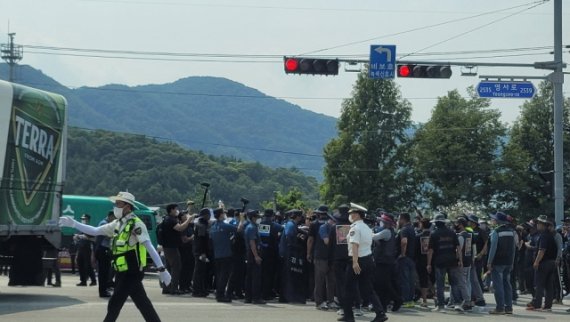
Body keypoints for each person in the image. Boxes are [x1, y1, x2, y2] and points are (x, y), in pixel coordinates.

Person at [59, 191, 171, 322]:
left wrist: (162, 270)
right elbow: (95, 231)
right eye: (115, 204)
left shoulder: (136, 223)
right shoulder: (118, 224)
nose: (115, 207)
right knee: (143, 303)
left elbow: (149, 246)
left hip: (132, 271)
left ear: (128, 207)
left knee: (114, 303)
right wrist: (74, 224)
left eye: (118, 204)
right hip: (121, 270)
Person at [338, 204, 387, 322]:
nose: (349, 216)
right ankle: (380, 313)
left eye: (351, 214)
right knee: (368, 288)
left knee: (348, 288)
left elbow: (355, 245)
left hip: (357, 260)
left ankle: (349, 316)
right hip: (368, 259)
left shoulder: (355, 228)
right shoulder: (366, 227)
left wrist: (355, 262)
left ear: (355, 215)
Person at [427, 213, 462, 312]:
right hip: (452, 261)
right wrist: (460, 260)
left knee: (440, 284)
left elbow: (430, 250)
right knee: (454, 283)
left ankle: (441, 306)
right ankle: (457, 304)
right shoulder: (452, 233)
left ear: (436, 223)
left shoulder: (434, 234)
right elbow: (458, 248)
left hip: (439, 262)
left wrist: (429, 264)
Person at [209, 207, 245, 302]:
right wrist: (241, 219)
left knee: (219, 275)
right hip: (226, 254)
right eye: (223, 213)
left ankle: (219, 293)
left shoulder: (213, 226)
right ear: (220, 215)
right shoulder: (224, 226)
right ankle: (221, 295)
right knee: (224, 276)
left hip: (217, 254)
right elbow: (239, 229)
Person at [487, 211, 518, 315]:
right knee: (507, 284)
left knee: (498, 285)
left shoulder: (496, 232)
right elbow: (514, 248)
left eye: (493, 219)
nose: (492, 220)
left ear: (497, 221)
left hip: (498, 261)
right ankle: (509, 308)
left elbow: (493, 248)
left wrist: (489, 262)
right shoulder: (512, 231)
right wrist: (512, 262)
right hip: (509, 261)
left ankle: (500, 308)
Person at [161, 203, 194, 295]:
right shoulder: (171, 220)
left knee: (168, 268)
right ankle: (174, 288)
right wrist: (189, 220)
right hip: (172, 248)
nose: (177, 211)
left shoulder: (166, 219)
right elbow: (180, 228)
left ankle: (166, 287)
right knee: (176, 268)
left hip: (167, 247)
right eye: (176, 209)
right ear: (171, 210)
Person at [527, 215, 557, 311]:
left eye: (538, 223)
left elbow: (542, 250)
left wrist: (536, 261)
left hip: (544, 263)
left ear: (543, 225)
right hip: (552, 262)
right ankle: (548, 305)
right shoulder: (551, 235)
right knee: (549, 285)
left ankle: (537, 304)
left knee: (539, 284)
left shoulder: (543, 236)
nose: (537, 225)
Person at [372, 213, 402, 311]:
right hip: (386, 260)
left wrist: (368, 231)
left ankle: (397, 299)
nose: (381, 222)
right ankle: (383, 305)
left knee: (382, 284)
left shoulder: (386, 232)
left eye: (382, 221)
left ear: (386, 223)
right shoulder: (390, 231)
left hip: (383, 261)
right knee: (383, 284)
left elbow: (374, 237)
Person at [310, 205, 335, 311]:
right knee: (327, 281)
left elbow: (310, 240)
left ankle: (324, 302)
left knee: (323, 280)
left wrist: (308, 253)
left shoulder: (314, 224)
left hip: (322, 255)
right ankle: (325, 301)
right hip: (326, 256)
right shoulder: (329, 226)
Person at [279, 209, 307, 304]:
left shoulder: (291, 224)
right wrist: (297, 242)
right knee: (288, 276)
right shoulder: (291, 225)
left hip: (287, 252)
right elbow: (289, 236)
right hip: (288, 253)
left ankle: (285, 297)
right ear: (298, 217)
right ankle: (288, 297)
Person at [259, 209, 283, 301]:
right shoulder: (274, 225)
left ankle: (262, 292)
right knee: (269, 274)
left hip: (262, 251)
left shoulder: (261, 224)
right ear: (272, 216)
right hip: (271, 252)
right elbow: (282, 229)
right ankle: (267, 293)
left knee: (262, 273)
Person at [244, 210, 265, 304]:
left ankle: (248, 297)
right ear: (253, 218)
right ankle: (256, 298)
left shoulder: (250, 226)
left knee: (250, 277)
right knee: (255, 277)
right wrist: (256, 256)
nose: (258, 219)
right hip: (253, 254)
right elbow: (252, 243)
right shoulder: (252, 227)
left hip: (250, 254)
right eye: (257, 217)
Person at [396, 212, 417, 308]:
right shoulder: (412, 229)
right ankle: (410, 300)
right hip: (412, 258)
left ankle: (405, 300)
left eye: (399, 219)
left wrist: (402, 254)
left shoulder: (404, 229)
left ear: (403, 219)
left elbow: (404, 241)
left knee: (404, 280)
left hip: (405, 258)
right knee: (411, 280)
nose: (398, 221)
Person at [95, 211, 115, 297]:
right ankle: (103, 292)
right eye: (114, 218)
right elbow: (107, 236)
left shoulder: (105, 223)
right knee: (103, 272)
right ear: (110, 216)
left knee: (105, 271)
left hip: (103, 249)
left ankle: (104, 290)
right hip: (102, 250)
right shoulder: (104, 223)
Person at [192, 208, 211, 297]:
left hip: (200, 251)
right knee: (199, 271)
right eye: (208, 214)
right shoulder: (202, 225)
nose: (210, 216)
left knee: (202, 271)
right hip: (200, 252)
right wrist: (202, 253)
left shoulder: (202, 224)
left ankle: (201, 289)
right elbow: (201, 240)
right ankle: (197, 290)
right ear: (205, 215)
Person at [75, 214, 97, 287]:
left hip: (87, 248)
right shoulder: (81, 229)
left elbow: (94, 239)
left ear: (88, 220)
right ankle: (83, 281)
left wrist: (83, 237)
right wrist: (76, 238)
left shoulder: (90, 228)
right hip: (81, 248)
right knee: (80, 263)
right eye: (82, 219)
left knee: (87, 265)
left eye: (85, 219)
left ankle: (93, 280)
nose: (83, 220)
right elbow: (79, 238)